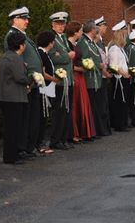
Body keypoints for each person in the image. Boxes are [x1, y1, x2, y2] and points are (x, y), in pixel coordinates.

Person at [5, 7, 43, 159]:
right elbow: (15, 59)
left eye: (27, 18)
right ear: (15, 20)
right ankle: (23, 148)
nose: (27, 21)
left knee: (32, 117)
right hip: (25, 83)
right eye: (24, 18)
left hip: (32, 82)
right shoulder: (12, 36)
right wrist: (27, 81)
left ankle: (29, 146)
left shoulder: (23, 35)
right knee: (25, 119)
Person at [0, 31, 30, 165]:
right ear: (21, 45)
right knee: (14, 128)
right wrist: (31, 80)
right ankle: (12, 156)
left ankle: (11, 154)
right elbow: (20, 77)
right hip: (14, 97)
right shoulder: (16, 58)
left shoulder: (6, 56)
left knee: (10, 128)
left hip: (5, 97)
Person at [77, 20, 109, 136]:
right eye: (96, 29)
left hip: (96, 78)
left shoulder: (90, 42)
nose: (97, 31)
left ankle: (99, 130)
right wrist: (97, 65)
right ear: (92, 30)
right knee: (93, 107)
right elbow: (84, 60)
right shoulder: (83, 42)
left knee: (97, 106)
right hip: (90, 78)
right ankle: (94, 130)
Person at [48, 12, 74, 150]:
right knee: (59, 112)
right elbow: (53, 57)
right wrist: (67, 56)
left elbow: (66, 53)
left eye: (63, 24)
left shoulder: (63, 38)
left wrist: (65, 55)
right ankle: (55, 140)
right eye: (58, 24)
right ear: (52, 25)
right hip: (59, 80)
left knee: (66, 110)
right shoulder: (52, 38)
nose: (61, 26)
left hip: (68, 79)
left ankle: (63, 138)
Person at [67, 21, 96, 141]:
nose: (81, 32)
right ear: (75, 32)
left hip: (80, 76)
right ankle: (75, 133)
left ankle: (84, 131)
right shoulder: (68, 44)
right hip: (74, 75)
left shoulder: (76, 44)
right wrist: (80, 68)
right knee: (76, 103)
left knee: (83, 102)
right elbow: (69, 64)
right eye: (80, 30)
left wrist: (86, 65)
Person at [36, 30, 57, 155]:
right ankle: (39, 144)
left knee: (44, 117)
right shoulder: (41, 54)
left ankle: (40, 142)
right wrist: (54, 78)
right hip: (43, 88)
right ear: (50, 42)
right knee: (42, 117)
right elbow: (42, 72)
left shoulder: (44, 53)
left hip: (48, 88)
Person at [107, 22, 131, 131]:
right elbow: (113, 65)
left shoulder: (120, 48)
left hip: (124, 77)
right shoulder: (114, 49)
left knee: (124, 101)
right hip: (119, 78)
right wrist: (123, 73)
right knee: (119, 101)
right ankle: (119, 124)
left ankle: (124, 122)